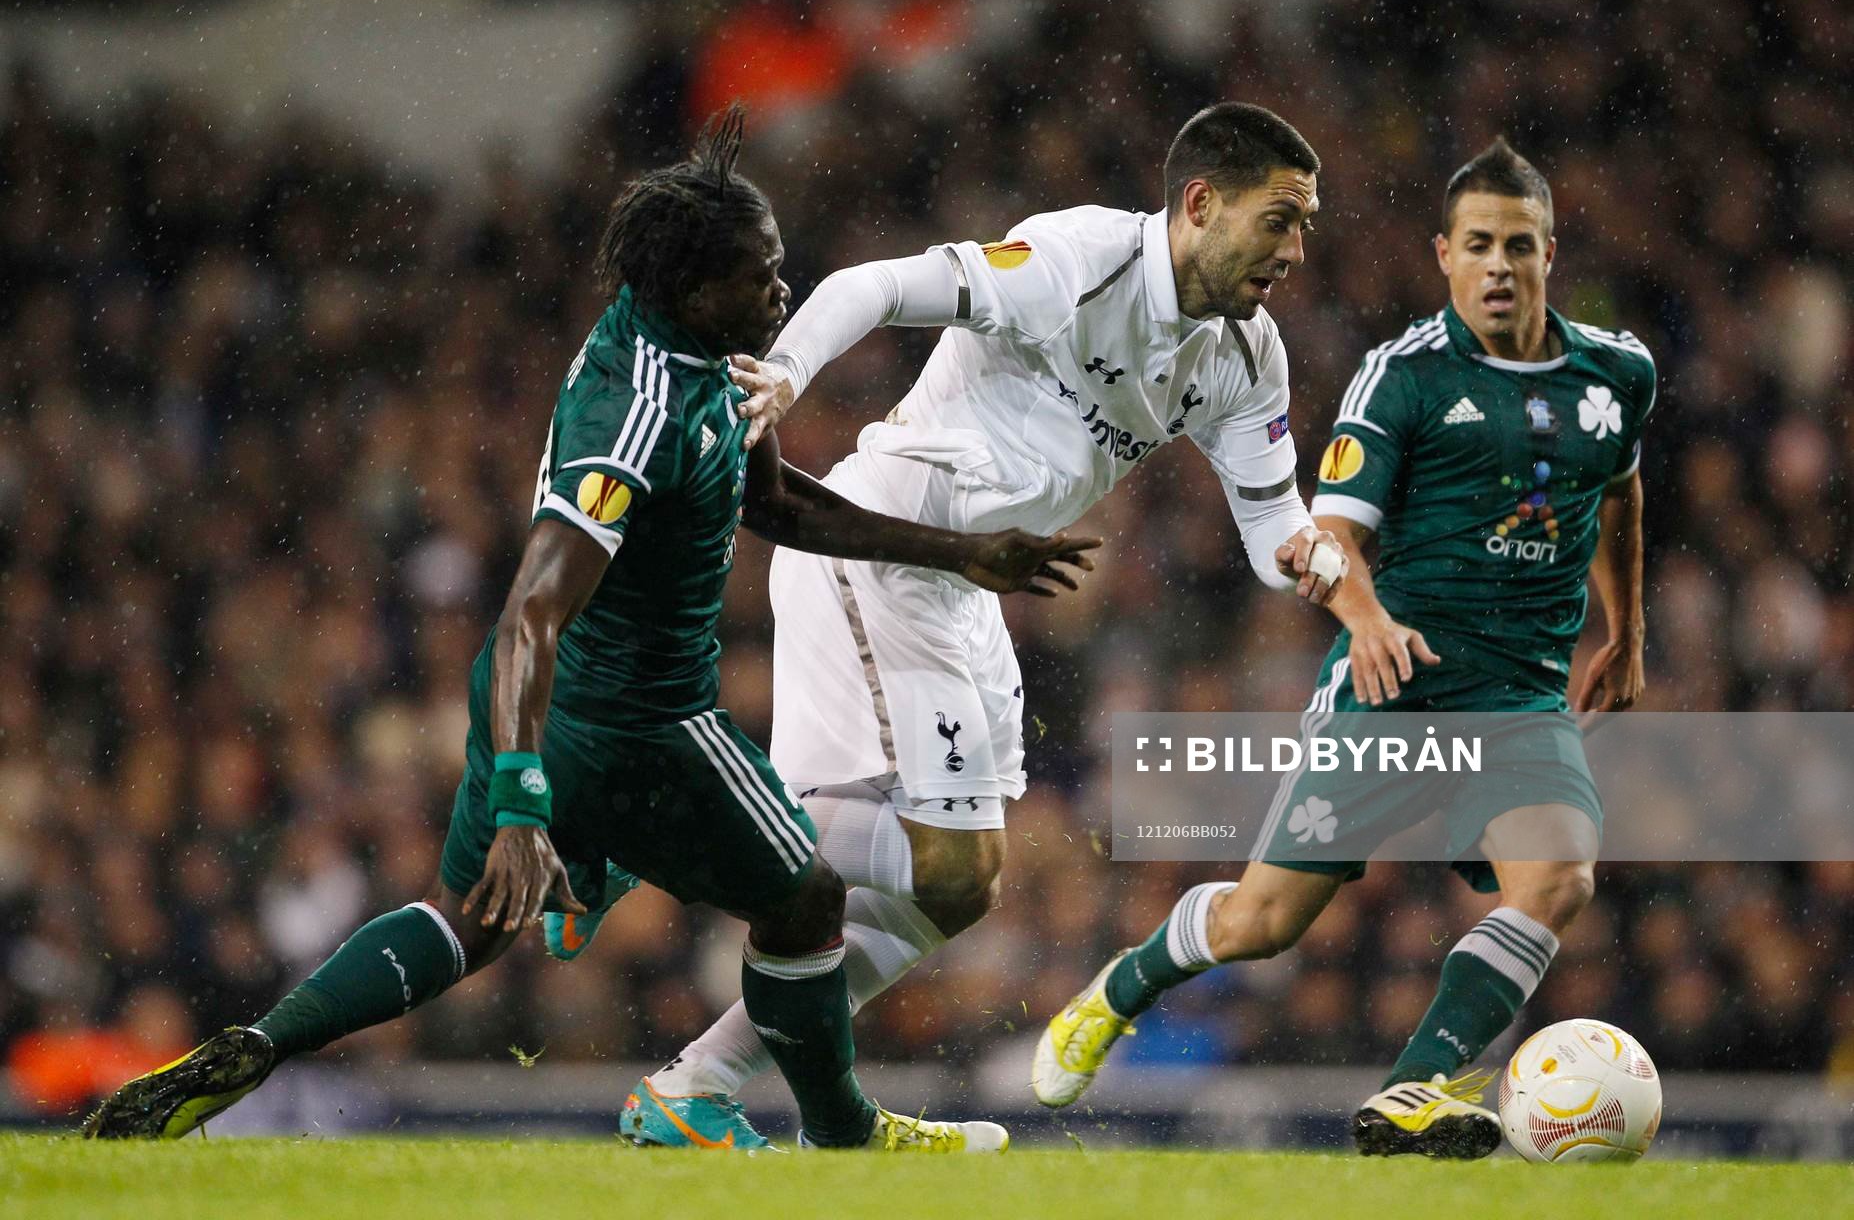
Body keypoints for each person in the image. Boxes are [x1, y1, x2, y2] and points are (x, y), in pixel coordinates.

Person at [83, 107, 1099, 1152]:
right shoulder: (637, 416)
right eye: (759, 276)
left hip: (541, 702)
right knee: (805, 898)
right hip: (642, 722)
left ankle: (260, 1043)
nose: (780, 292)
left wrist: (959, 552)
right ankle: (832, 1132)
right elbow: (534, 607)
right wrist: (525, 806)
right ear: (693, 290)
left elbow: (777, 502)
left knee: (465, 922)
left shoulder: (698, 348)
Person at [560, 102, 1348, 1150]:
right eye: (1279, 220)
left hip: (966, 587)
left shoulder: (1246, 356)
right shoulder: (1077, 261)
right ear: (1200, 204)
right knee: (951, 863)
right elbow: (876, 286)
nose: (1295, 250)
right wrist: (787, 371)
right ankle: (648, 823)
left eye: (1306, 226)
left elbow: (1271, 524)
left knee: (950, 893)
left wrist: (1325, 560)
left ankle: (694, 1082)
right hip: (888, 547)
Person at [1033, 139, 1653, 1160]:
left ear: (1550, 252)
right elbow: (1327, 533)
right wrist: (1366, 620)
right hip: (1396, 683)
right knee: (1261, 922)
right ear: (1444, 255)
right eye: (1478, 245)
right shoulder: (1405, 377)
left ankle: (1415, 1088)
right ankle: (1122, 986)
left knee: (1559, 877)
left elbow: (1618, 488)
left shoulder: (1618, 372)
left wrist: (1626, 631)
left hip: (1521, 694)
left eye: (1519, 245)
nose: (1499, 265)